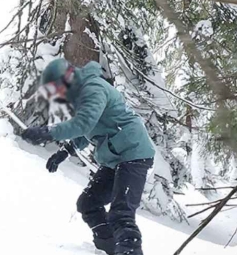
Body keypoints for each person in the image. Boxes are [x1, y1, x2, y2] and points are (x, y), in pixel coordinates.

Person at [20, 50, 156, 255]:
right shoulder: (82, 93)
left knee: (121, 214)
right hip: (115, 157)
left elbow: (84, 124)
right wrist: (65, 152)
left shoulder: (93, 88)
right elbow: (90, 130)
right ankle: (111, 248)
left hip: (134, 153)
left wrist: (48, 132)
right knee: (88, 203)